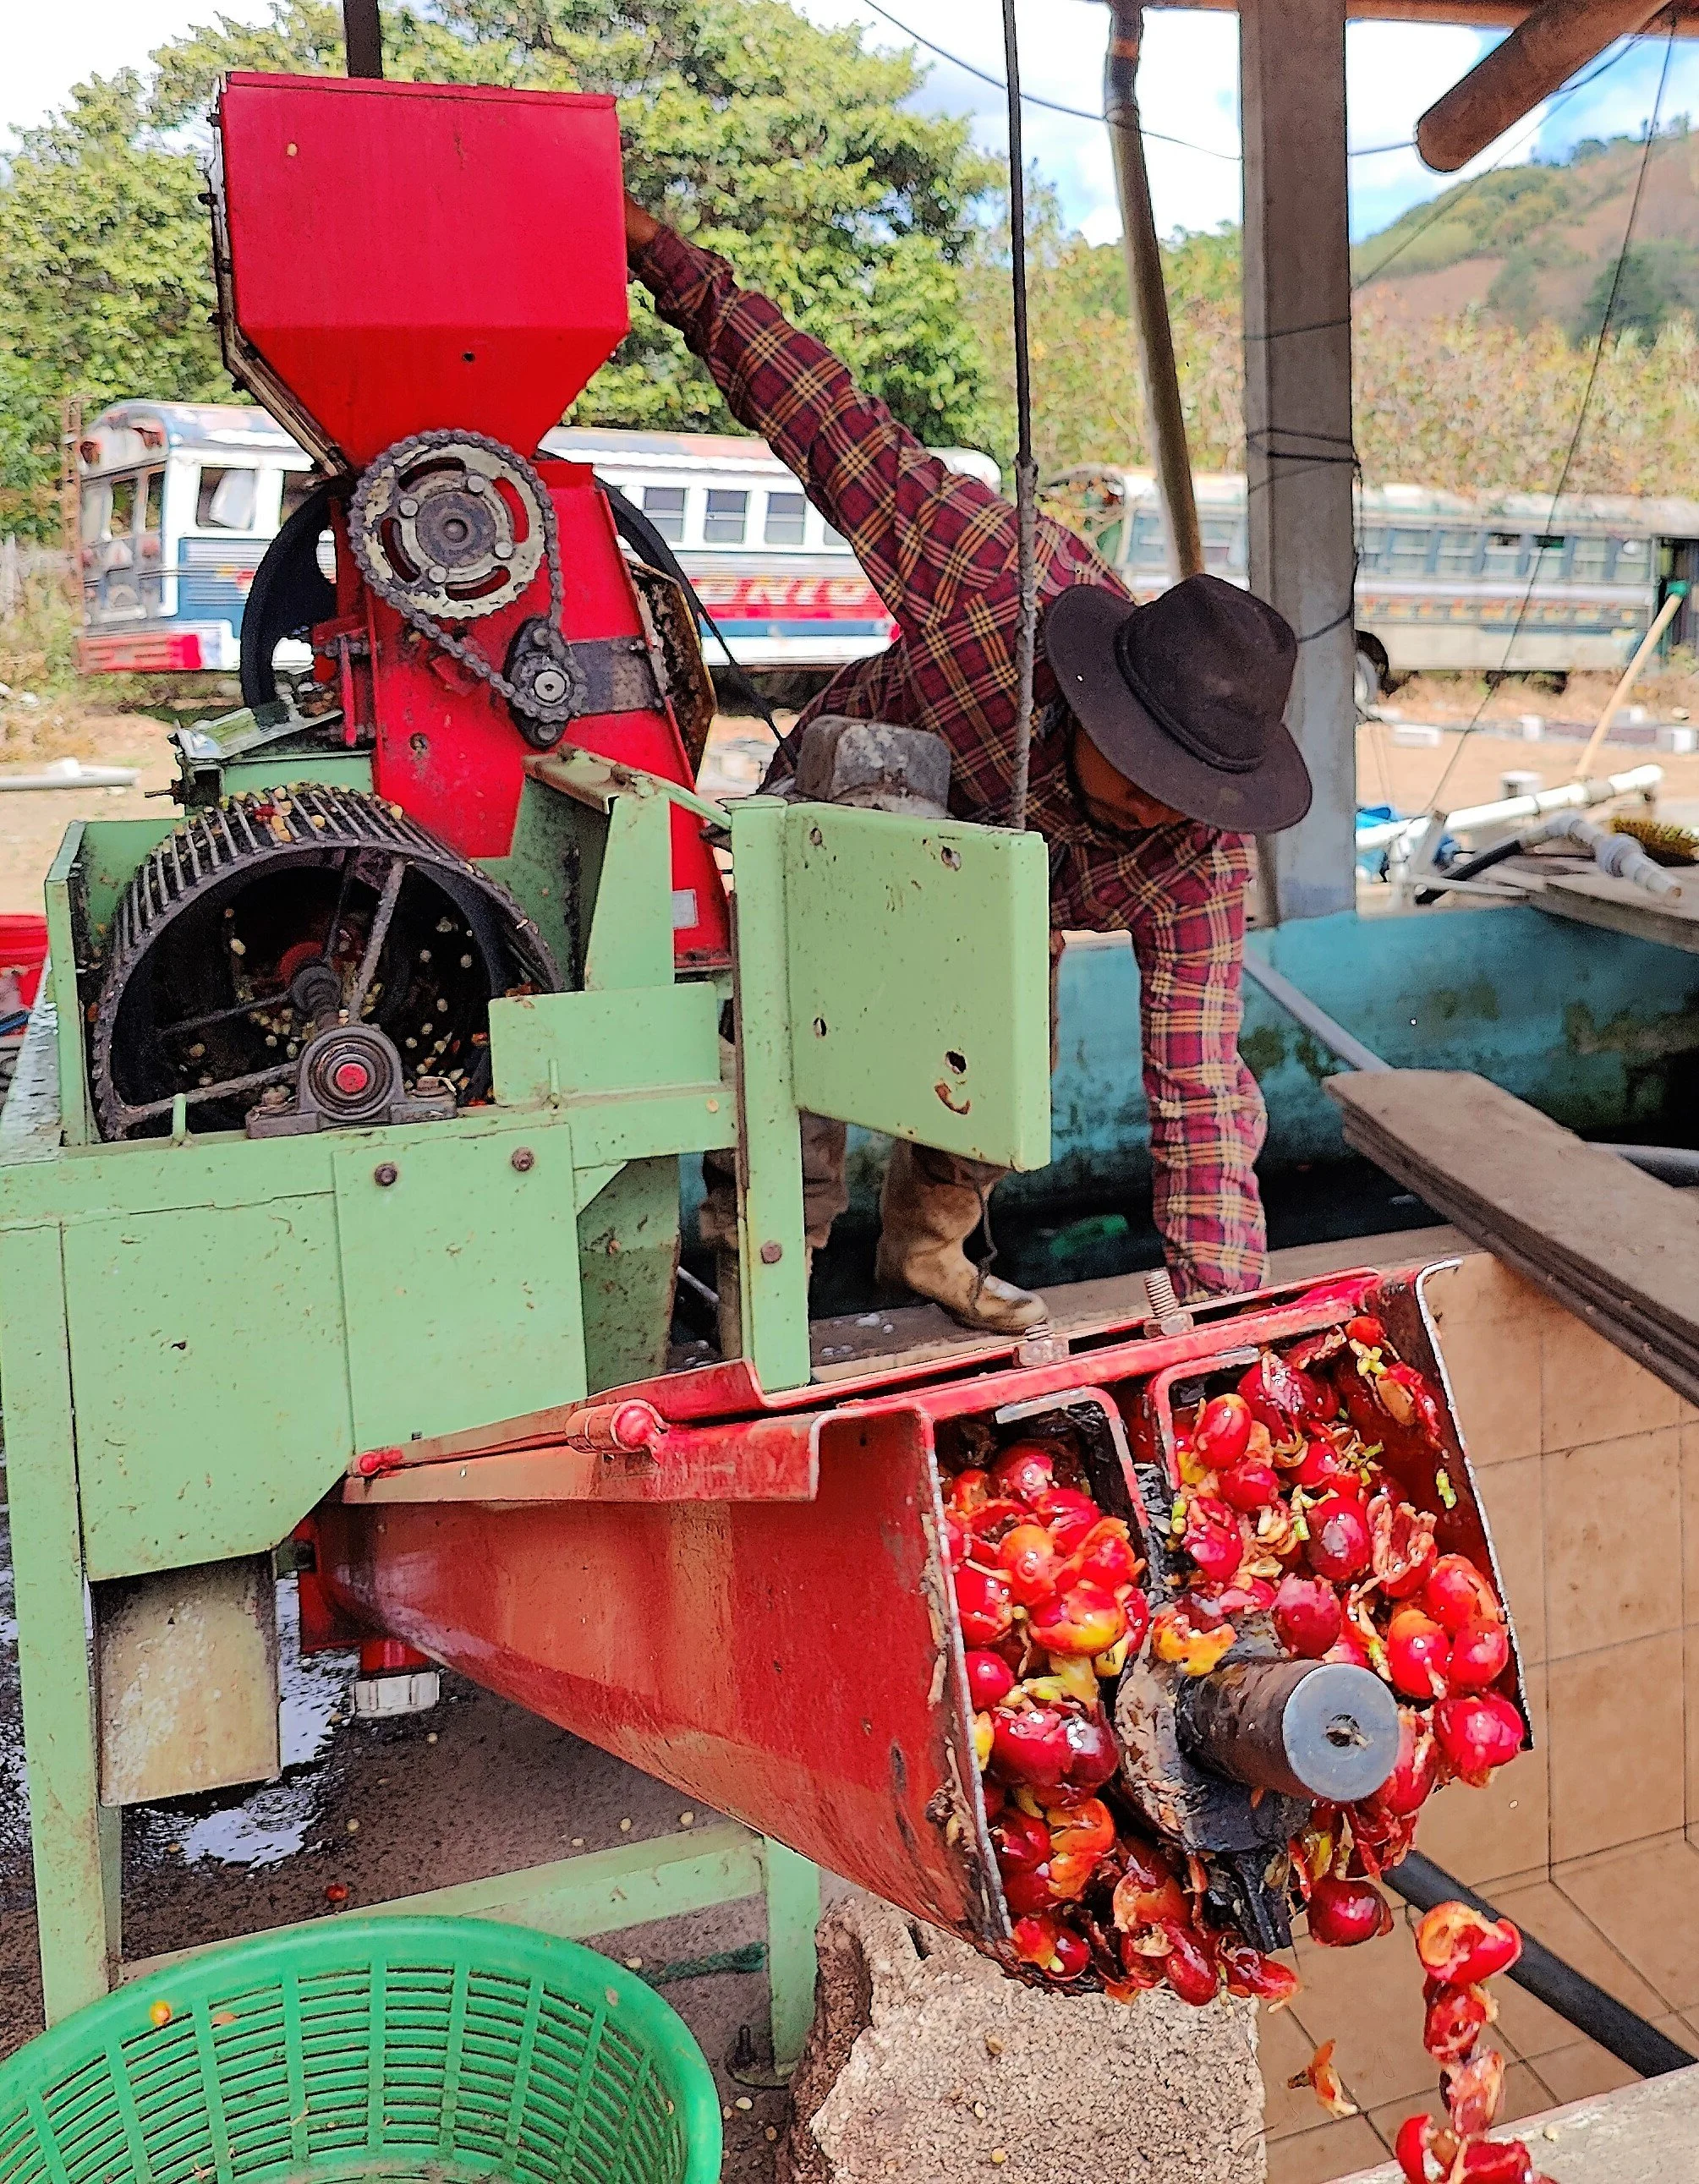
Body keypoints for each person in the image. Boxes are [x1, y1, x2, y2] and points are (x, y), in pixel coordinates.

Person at [622, 194, 1313, 1340]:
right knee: (799, 1041)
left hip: (1003, 890)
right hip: (863, 806)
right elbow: (833, 431)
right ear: (1095, 693)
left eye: (1180, 792)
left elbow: (1198, 1090)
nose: (1151, 805)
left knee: (1000, 1055)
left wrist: (1229, 1321)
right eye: (1140, 764)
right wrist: (668, 261)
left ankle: (928, 1250)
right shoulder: (996, 582)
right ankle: (760, 1269)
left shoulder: (1200, 860)